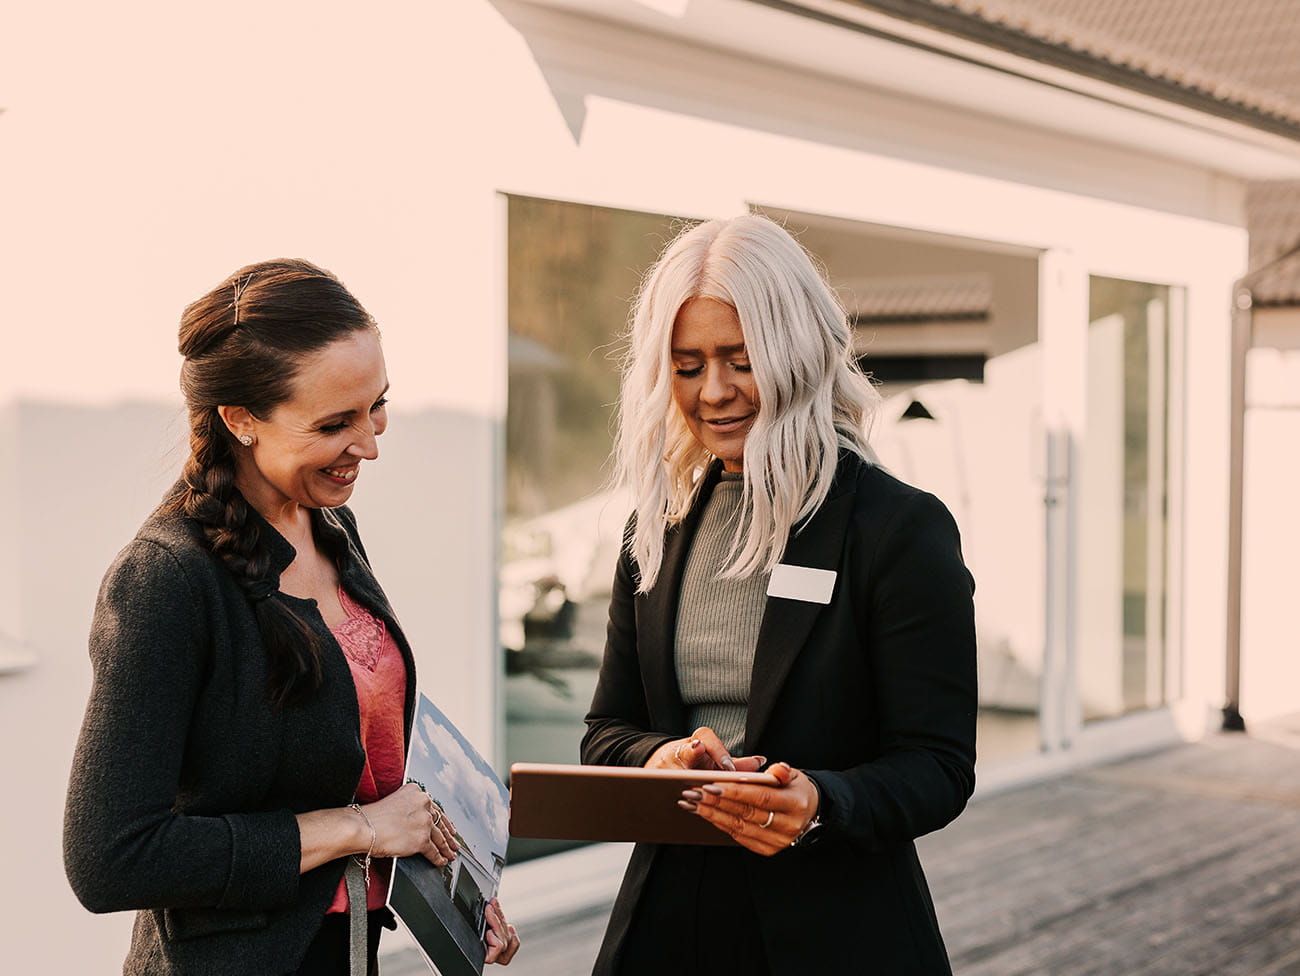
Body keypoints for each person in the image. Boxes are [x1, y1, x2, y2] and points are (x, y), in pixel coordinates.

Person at [64, 260, 520, 975]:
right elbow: (109, 858)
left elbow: (355, 751)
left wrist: (454, 875)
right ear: (240, 420)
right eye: (334, 423)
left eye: (377, 405)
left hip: (349, 952)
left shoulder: (330, 528)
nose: (370, 443)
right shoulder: (166, 578)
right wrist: (358, 829)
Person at [581, 215, 977, 974]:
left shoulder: (897, 529)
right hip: (670, 926)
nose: (714, 392)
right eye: (688, 366)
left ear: (796, 351)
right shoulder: (657, 528)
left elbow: (938, 765)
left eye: (741, 360)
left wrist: (820, 802)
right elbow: (607, 731)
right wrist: (662, 756)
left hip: (839, 932)